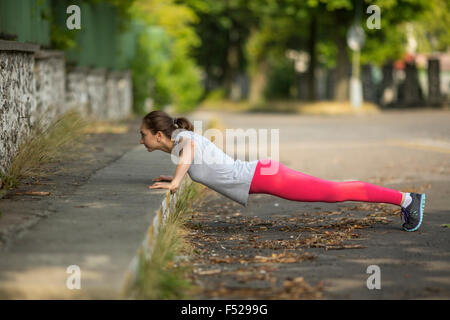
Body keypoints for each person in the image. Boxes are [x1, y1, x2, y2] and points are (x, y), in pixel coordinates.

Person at [140, 110, 426, 232]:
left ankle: (406, 200)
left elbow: (190, 152)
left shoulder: (182, 141)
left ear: (157, 135)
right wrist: (177, 175)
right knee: (334, 189)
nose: (141, 140)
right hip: (264, 173)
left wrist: (176, 181)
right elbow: (193, 160)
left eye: (143, 135)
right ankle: (405, 199)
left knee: (335, 192)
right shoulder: (179, 144)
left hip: (267, 176)